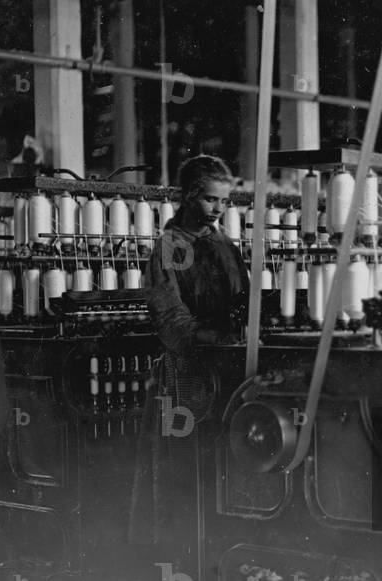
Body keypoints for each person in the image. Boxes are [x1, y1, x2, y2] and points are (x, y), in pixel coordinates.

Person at [129, 155, 249, 552]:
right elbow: (170, 317)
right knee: (185, 472)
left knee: (226, 469)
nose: (219, 209)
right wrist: (212, 336)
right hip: (187, 376)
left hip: (230, 371)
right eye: (211, 200)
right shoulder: (171, 248)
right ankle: (181, 556)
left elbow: (244, 300)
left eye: (225, 202)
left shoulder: (226, 246)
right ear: (188, 196)